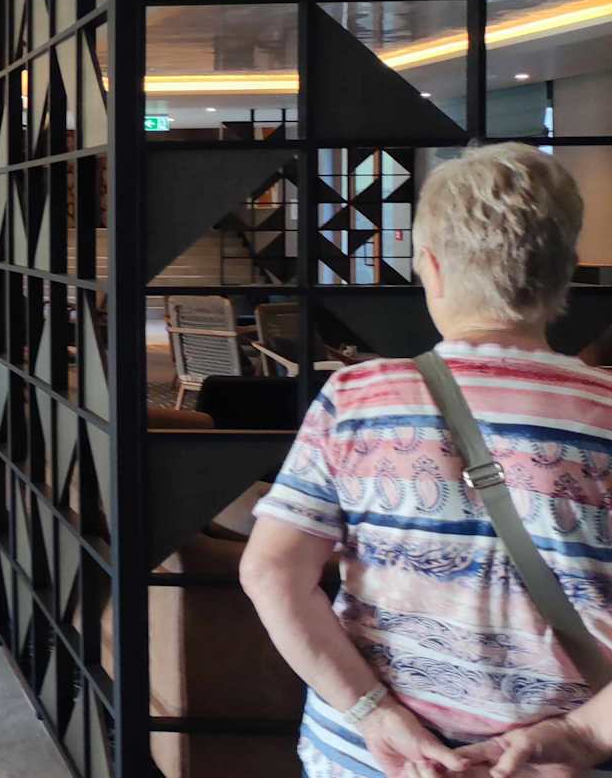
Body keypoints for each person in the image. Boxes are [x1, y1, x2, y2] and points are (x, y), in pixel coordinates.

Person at [241, 143, 612, 778]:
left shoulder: (356, 399)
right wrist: (582, 733)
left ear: (431, 268)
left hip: (373, 760)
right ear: (567, 270)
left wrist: (375, 714)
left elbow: (271, 572)